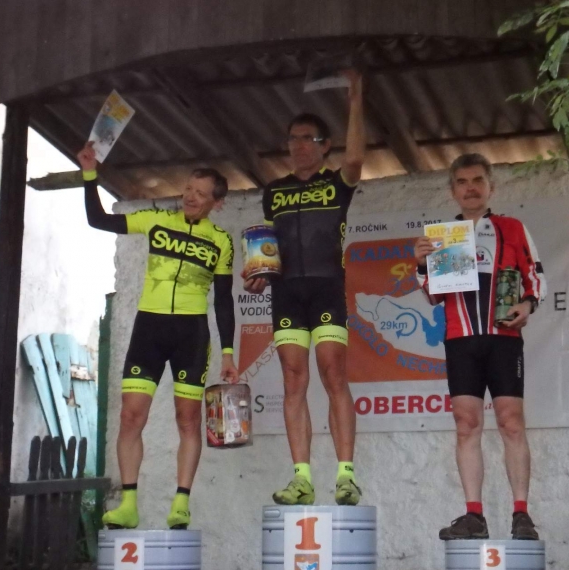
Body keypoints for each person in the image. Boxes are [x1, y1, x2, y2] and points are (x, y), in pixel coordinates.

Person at [78, 143, 239, 529]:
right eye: (188, 189)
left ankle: (181, 503)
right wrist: (89, 174)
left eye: (201, 193)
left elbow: (223, 301)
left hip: (191, 333)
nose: (191, 197)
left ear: (216, 203)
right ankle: (128, 505)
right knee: (131, 416)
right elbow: (98, 220)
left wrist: (228, 353)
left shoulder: (221, 241)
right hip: (149, 329)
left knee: (188, 420)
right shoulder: (156, 220)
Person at [244, 71, 365, 506]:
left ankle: (346, 476)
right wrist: (259, 275)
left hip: (327, 288)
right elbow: (268, 249)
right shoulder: (274, 192)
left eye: (307, 139)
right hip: (287, 295)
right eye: (292, 139)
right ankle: (302, 479)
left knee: (334, 373)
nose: (297, 145)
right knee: (293, 380)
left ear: (324, 145)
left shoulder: (336, 183)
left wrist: (355, 101)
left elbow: (356, 159)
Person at [414, 153, 546, 541]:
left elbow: (535, 278)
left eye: (477, 181)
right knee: (466, 425)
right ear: (452, 190)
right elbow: (434, 296)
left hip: (503, 339)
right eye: (462, 182)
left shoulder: (512, 228)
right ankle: (474, 516)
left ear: (491, 186)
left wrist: (528, 305)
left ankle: (521, 514)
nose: (470, 188)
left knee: (511, 422)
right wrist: (421, 265)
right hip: (461, 339)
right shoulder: (443, 237)